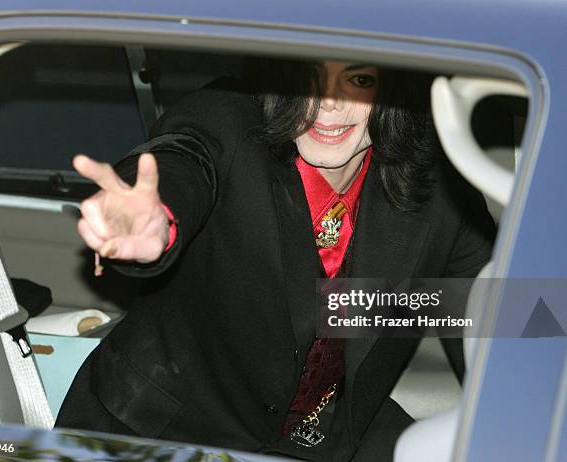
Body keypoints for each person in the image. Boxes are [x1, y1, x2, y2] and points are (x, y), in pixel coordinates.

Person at [56, 58, 495, 461]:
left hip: (328, 435)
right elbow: (184, 156)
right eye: (310, 78)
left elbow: (492, 311)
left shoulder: (439, 185)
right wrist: (157, 218)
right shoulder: (226, 118)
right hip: (161, 430)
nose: (327, 105)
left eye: (359, 80)